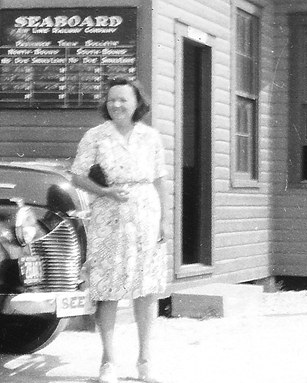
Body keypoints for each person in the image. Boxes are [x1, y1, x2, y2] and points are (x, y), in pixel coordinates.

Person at [70, 78, 170, 383]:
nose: (117, 105)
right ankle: (108, 362)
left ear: (137, 103)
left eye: (123, 100)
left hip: (145, 214)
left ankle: (145, 360)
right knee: (108, 288)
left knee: (146, 288)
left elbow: (159, 181)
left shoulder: (150, 137)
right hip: (108, 214)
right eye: (112, 100)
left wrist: (164, 220)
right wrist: (105, 191)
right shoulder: (95, 136)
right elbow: (77, 177)